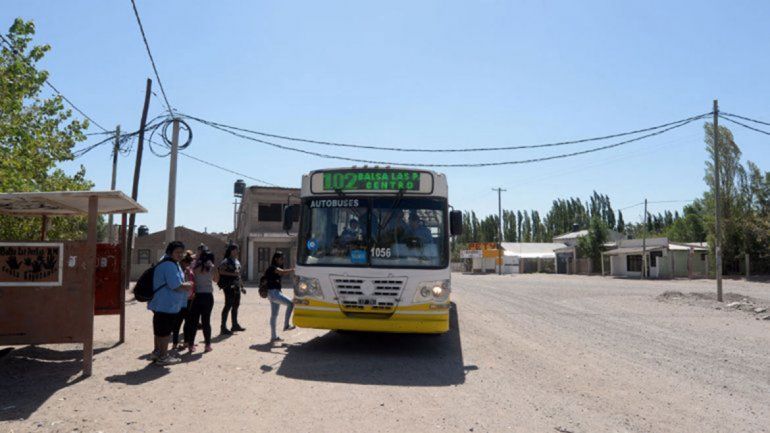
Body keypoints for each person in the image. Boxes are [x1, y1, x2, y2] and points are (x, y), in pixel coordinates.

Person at [148, 241, 193, 365]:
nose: (180, 254)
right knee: (165, 332)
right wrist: (188, 285)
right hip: (167, 304)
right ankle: (163, 356)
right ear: (170, 252)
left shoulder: (168, 263)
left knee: (159, 330)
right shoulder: (169, 265)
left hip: (162, 303)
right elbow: (176, 285)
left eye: (181, 252)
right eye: (177, 252)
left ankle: (157, 352)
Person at [184, 249, 219, 353]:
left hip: (196, 296)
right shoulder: (211, 267)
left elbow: (188, 275)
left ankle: (191, 345)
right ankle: (207, 345)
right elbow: (216, 280)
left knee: (194, 322)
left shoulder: (194, 266)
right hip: (208, 296)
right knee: (206, 321)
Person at [264, 251, 295, 343]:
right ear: (276, 259)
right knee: (291, 303)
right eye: (281, 258)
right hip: (274, 293)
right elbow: (282, 272)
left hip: (274, 293)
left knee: (274, 315)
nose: (283, 260)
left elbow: (281, 272)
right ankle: (286, 325)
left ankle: (273, 337)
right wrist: (293, 270)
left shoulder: (277, 267)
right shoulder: (272, 267)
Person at [171, 251, 196, 351]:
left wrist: (193, 293)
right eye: (186, 263)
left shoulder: (189, 271)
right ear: (182, 262)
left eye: (189, 263)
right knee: (177, 323)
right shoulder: (177, 271)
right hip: (180, 301)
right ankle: (175, 343)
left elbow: (193, 283)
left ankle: (186, 342)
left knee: (188, 323)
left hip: (189, 300)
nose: (188, 265)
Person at [219, 244, 246, 334]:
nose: (237, 251)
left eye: (237, 250)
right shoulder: (226, 261)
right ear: (231, 251)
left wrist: (242, 286)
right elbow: (220, 271)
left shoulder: (237, 261)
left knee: (236, 306)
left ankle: (234, 325)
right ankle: (223, 327)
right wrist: (232, 274)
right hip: (228, 286)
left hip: (236, 286)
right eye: (235, 250)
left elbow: (238, 275)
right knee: (228, 305)